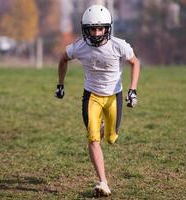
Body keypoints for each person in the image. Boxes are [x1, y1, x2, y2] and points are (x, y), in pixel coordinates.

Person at [55, 4, 140, 197]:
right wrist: (60, 84)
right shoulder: (80, 47)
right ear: (86, 29)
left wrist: (132, 90)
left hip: (113, 97)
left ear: (107, 28)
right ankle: (103, 182)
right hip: (91, 97)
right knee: (93, 139)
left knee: (110, 138)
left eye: (100, 28)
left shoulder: (119, 45)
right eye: (92, 28)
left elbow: (135, 62)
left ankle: (103, 130)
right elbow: (62, 59)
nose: (96, 32)